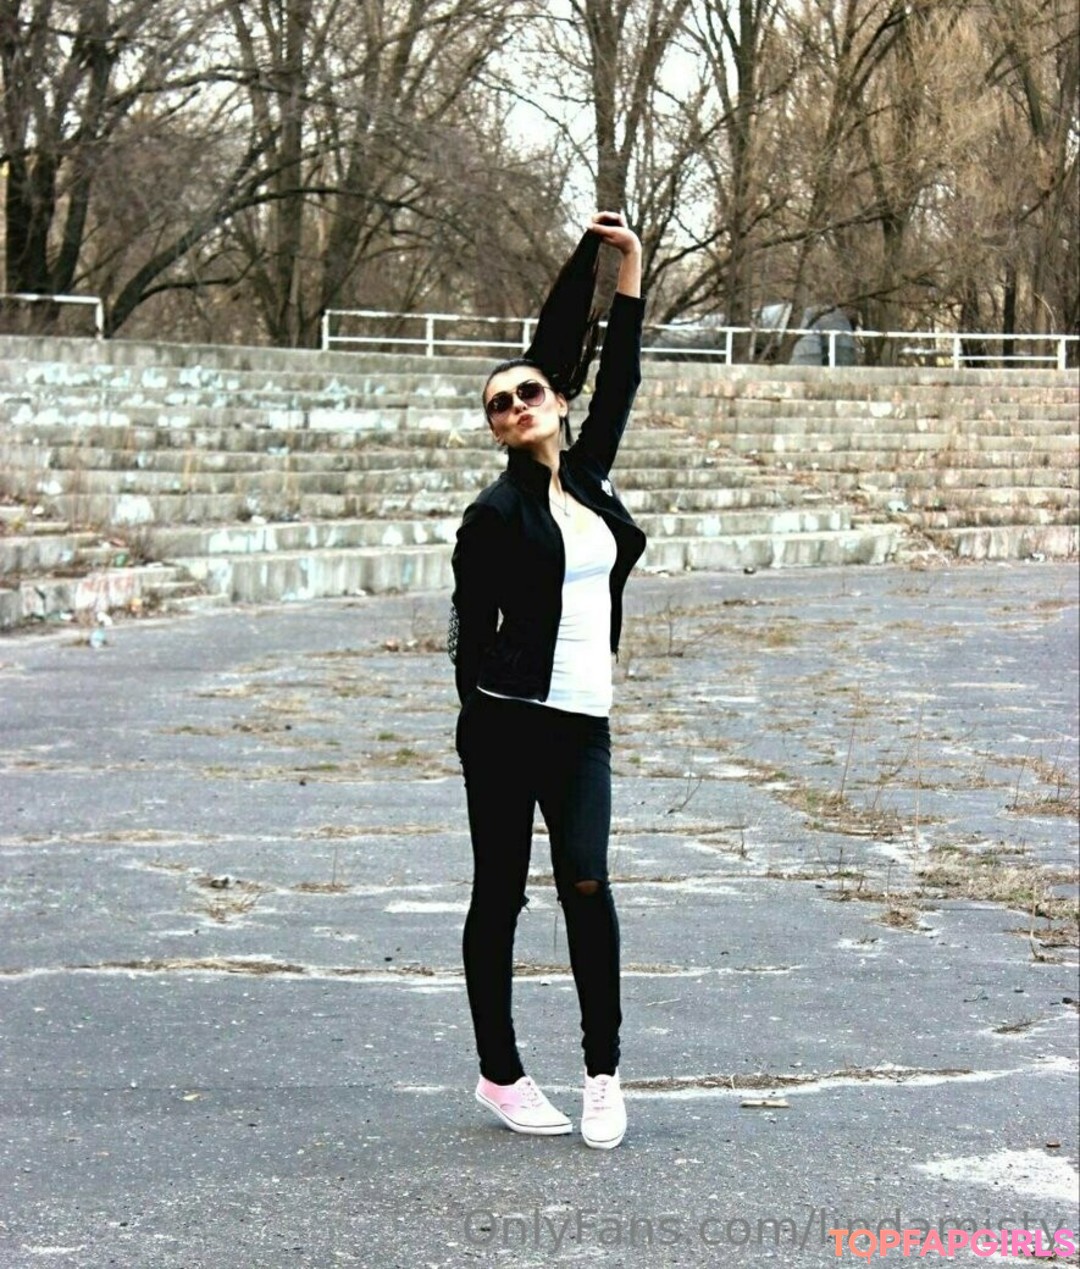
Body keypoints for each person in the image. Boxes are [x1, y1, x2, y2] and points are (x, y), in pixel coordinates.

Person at [448, 211, 646, 1149]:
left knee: (588, 886)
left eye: (529, 391)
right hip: (506, 726)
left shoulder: (593, 478)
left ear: (559, 402)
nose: (517, 405)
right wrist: (482, 717)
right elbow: (467, 630)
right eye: (500, 404)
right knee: (500, 896)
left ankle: (603, 1073)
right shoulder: (492, 514)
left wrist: (625, 268)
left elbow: (622, 374)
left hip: (583, 725)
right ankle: (500, 1072)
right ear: (495, 428)